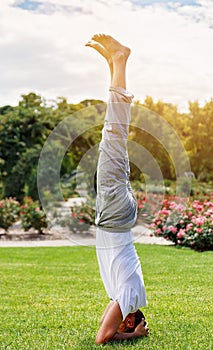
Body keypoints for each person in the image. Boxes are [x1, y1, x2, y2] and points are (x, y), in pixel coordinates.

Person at [86, 33, 148, 344]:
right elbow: (102, 337)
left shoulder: (124, 297)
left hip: (115, 213)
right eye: (126, 325)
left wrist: (132, 330)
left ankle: (115, 65)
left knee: (112, 141)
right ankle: (121, 58)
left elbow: (104, 324)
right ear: (130, 320)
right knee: (113, 136)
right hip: (114, 212)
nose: (117, 324)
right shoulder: (128, 297)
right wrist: (132, 336)